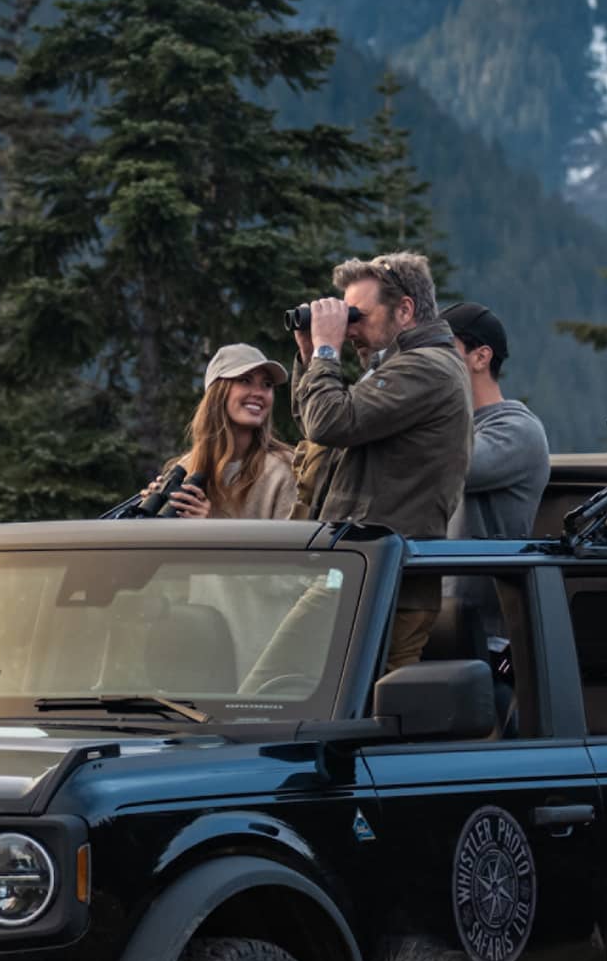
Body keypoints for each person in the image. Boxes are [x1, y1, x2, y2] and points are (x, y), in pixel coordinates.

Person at [286, 251, 472, 670]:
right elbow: (317, 428)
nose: (350, 330)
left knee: (273, 685)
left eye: (358, 315)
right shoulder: (405, 367)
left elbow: (329, 421)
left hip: (382, 581)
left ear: (404, 310)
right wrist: (309, 355)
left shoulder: (428, 369)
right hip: (361, 574)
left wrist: (327, 352)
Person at [149, 343, 297, 520]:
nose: (259, 393)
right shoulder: (185, 468)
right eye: (245, 380)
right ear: (218, 393)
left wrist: (211, 524)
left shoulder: (283, 469)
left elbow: (288, 546)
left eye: (267, 384)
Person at [441, 302, 550, 540]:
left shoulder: (518, 431)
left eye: (444, 350)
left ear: (481, 357)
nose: (432, 362)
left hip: (486, 578)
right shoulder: (454, 428)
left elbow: (443, 467)